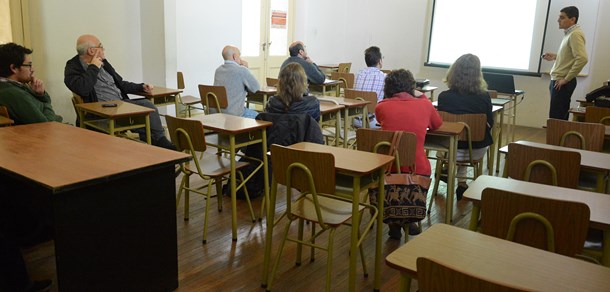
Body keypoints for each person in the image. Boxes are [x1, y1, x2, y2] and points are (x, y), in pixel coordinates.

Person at [64, 34, 175, 150]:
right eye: (101, 46)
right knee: (147, 117)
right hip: (101, 113)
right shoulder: (73, 67)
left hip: (121, 105)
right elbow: (82, 89)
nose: (104, 49)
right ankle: (160, 145)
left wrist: (141, 87)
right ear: (91, 51)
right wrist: (94, 67)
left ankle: (157, 145)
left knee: (147, 106)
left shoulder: (104, 63)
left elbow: (120, 83)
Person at [375, 69, 442, 240]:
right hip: (417, 169)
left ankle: (394, 222)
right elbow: (437, 125)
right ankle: (409, 217)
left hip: (388, 168)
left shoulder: (381, 106)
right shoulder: (425, 105)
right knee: (421, 165)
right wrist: (423, 97)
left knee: (395, 171)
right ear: (411, 87)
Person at [437, 53, 494, 200]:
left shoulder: (443, 97)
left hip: (451, 150)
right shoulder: (484, 97)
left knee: (455, 138)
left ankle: (447, 171)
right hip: (476, 150)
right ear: (478, 75)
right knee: (466, 136)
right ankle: (462, 184)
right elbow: (490, 124)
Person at [542, 6, 588, 120]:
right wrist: (556, 57)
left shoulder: (575, 34)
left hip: (562, 81)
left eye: (562, 17)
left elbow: (582, 59)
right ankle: (557, 138)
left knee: (557, 118)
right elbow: (571, 57)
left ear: (572, 19)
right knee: (556, 117)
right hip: (559, 80)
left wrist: (566, 79)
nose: (558, 20)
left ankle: (557, 138)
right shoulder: (569, 33)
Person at [0, 43, 63, 125]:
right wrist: (44, 100)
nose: (32, 70)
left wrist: (40, 94)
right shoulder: (15, 94)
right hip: (48, 131)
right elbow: (46, 125)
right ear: (14, 68)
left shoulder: (14, 87)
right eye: (29, 65)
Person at [213, 45, 260, 118]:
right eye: (239, 55)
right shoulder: (241, 70)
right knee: (261, 117)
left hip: (217, 113)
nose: (240, 58)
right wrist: (247, 69)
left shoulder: (218, 70)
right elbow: (256, 87)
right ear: (234, 56)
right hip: (234, 115)